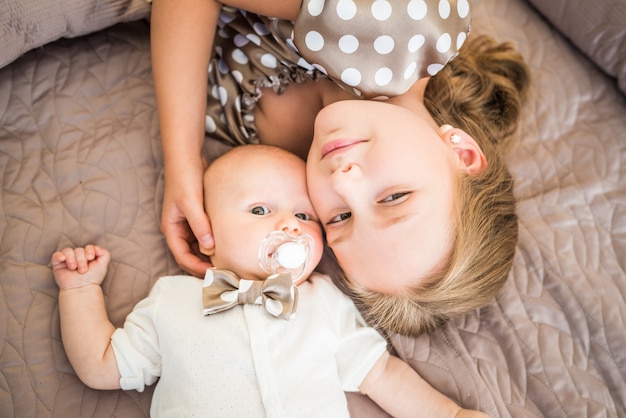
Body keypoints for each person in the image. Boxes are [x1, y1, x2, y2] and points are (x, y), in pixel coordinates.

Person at [150, 0, 530, 335]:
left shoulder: (275, 160)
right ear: (462, 154)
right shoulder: (400, 27)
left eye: (341, 218)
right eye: (394, 197)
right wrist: (182, 154)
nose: (342, 182)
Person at [51, 144, 489, 417]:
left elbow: (381, 374)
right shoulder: (173, 301)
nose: (291, 225)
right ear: (208, 237)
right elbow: (103, 365)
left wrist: (448, 414)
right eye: (261, 211)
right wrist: (80, 291)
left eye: (304, 215)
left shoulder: (324, 301)